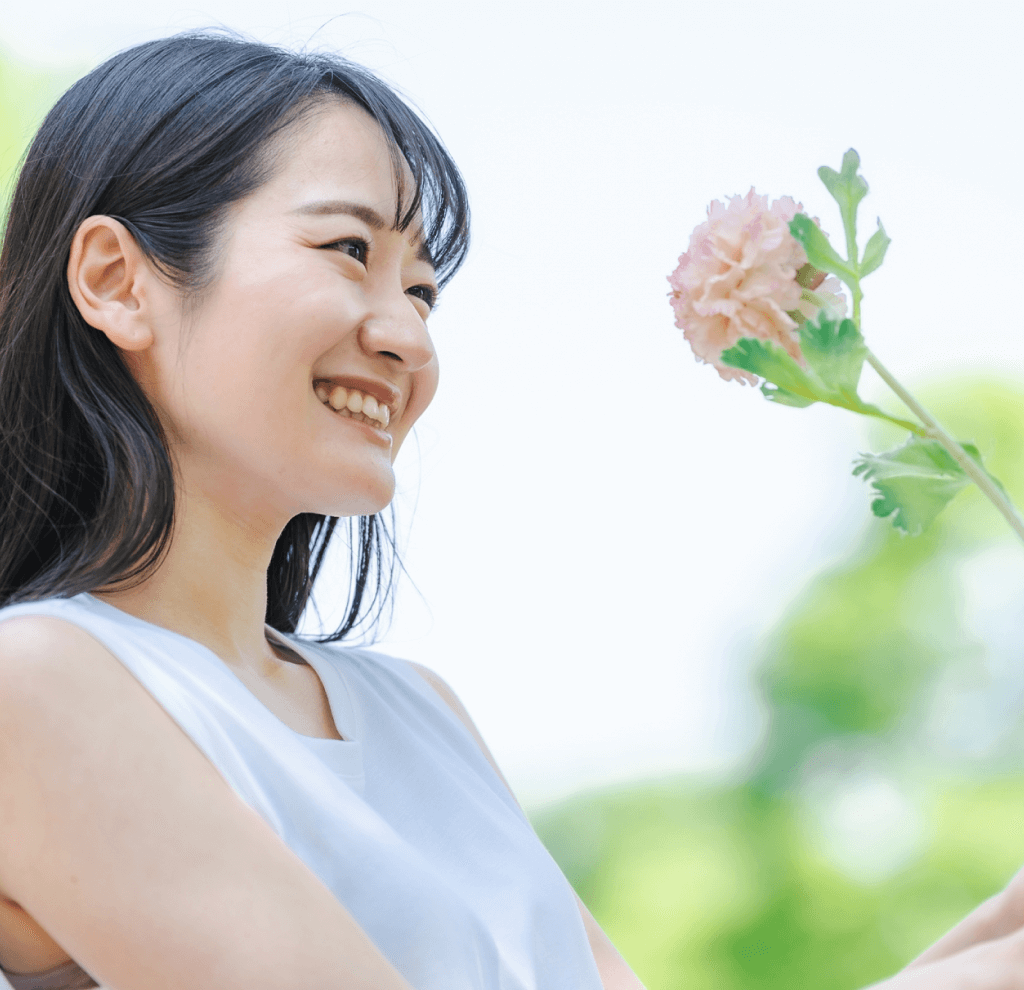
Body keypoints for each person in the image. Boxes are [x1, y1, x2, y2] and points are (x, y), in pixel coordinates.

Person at [0, 30, 1022, 990]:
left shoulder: (416, 712)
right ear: (115, 281)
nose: (406, 335)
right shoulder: (35, 684)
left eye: (424, 290)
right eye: (348, 251)